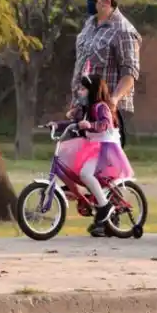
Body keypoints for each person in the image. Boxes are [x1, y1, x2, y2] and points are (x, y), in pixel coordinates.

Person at [54, 73, 133, 237]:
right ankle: (91, 198)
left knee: (85, 173)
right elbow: (73, 123)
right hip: (93, 146)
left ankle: (104, 206)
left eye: (83, 89)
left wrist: (90, 125)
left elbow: (104, 124)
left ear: (92, 91)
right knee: (78, 171)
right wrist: (57, 125)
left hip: (106, 148)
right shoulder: (86, 110)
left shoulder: (101, 107)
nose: (80, 93)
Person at [69, 0, 141, 148]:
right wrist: (76, 101)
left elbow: (130, 73)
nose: (89, 1)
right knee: (78, 162)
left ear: (107, 2)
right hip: (85, 105)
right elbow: (82, 66)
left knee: (105, 167)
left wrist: (114, 100)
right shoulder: (89, 25)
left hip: (107, 111)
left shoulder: (124, 31)